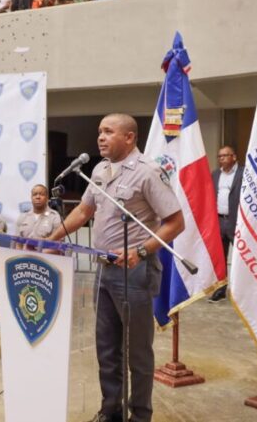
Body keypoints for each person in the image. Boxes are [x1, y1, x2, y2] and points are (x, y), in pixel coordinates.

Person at [48, 113, 184, 422]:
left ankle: (140, 415)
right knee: (107, 349)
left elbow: (176, 223)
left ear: (129, 137)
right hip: (105, 269)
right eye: (99, 131)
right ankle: (111, 410)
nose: (100, 137)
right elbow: (84, 210)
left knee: (136, 352)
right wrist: (51, 238)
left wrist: (139, 250)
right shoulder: (97, 170)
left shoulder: (148, 172)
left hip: (136, 271)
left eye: (108, 132)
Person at [209, 145, 243, 303]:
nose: (221, 158)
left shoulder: (244, 173)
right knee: (220, 258)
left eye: (225, 155)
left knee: (242, 258)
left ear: (234, 157)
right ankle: (221, 290)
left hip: (238, 222)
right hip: (219, 221)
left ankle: (243, 292)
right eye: (219, 156)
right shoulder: (215, 175)